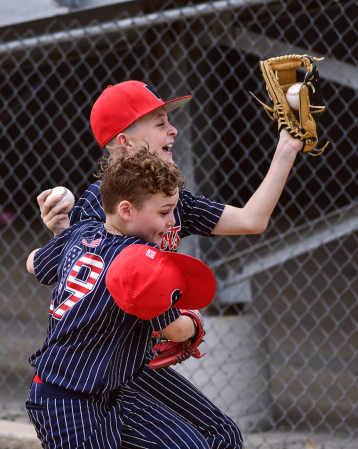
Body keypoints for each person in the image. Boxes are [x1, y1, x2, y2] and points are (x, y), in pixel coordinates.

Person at [35, 80, 303, 447]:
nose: (172, 129)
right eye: (159, 122)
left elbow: (252, 220)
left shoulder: (170, 198)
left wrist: (287, 147)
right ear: (123, 142)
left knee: (221, 434)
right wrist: (61, 232)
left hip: (130, 360)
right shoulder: (104, 207)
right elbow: (61, 273)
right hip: (94, 369)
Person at [26, 149, 243, 449]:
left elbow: (34, 263)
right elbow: (176, 331)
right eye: (164, 212)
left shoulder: (82, 232)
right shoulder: (140, 262)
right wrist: (194, 323)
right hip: (67, 401)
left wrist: (63, 236)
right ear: (126, 211)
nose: (171, 222)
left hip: (109, 392)